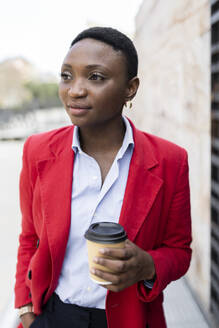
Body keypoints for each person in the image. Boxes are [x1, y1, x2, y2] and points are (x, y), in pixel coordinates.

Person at [14, 27, 192, 328]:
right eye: (67, 75)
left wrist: (148, 265)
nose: (75, 90)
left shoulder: (170, 161)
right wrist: (25, 307)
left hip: (128, 319)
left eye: (95, 77)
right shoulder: (37, 150)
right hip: (52, 315)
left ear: (130, 88)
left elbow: (179, 251)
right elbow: (30, 237)